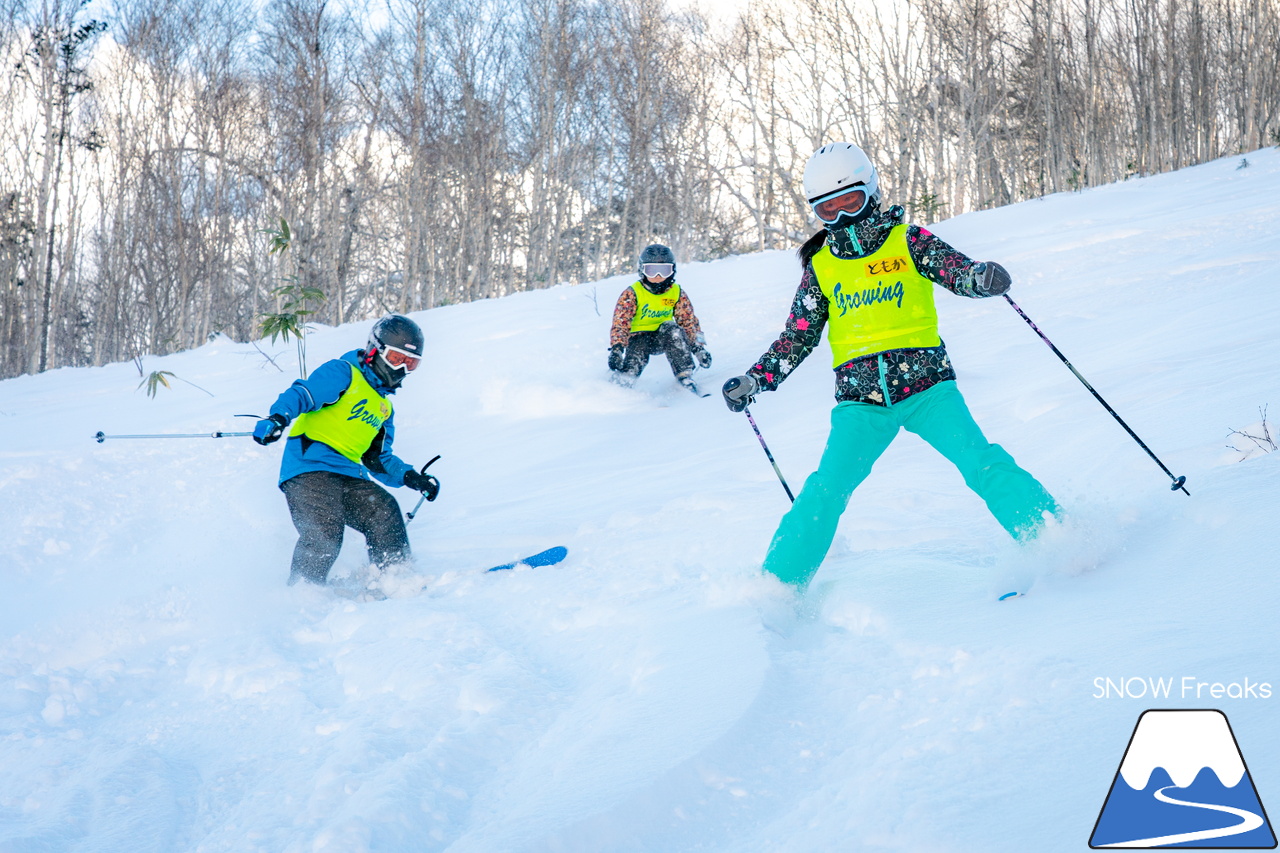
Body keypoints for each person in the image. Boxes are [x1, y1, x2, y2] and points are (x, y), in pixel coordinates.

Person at [722, 142, 1060, 589]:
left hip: (928, 392)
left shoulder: (909, 241)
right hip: (861, 405)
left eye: (851, 202)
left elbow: (956, 271)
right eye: (829, 210)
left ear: (872, 192)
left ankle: (1058, 542)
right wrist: (755, 379)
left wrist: (980, 278)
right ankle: (776, 587)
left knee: (982, 462)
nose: (843, 217)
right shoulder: (821, 266)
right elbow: (797, 336)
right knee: (825, 490)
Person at [252, 314, 440, 586]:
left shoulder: (384, 408)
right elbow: (304, 394)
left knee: (384, 511)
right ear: (375, 350)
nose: (402, 370)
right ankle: (303, 593)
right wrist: (278, 417)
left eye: (411, 364)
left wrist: (411, 477)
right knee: (325, 531)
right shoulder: (343, 373)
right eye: (397, 359)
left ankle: (396, 579)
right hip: (309, 468)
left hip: (349, 476)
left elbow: (378, 459)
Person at [608, 243, 712, 392]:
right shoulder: (632, 293)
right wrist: (617, 349)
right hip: (638, 338)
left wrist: (698, 348)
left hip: (664, 337)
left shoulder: (676, 292)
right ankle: (622, 384)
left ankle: (684, 375)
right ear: (642, 270)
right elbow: (620, 323)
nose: (658, 277)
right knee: (635, 356)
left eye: (664, 271)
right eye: (652, 271)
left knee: (673, 329)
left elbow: (689, 322)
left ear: (672, 270)